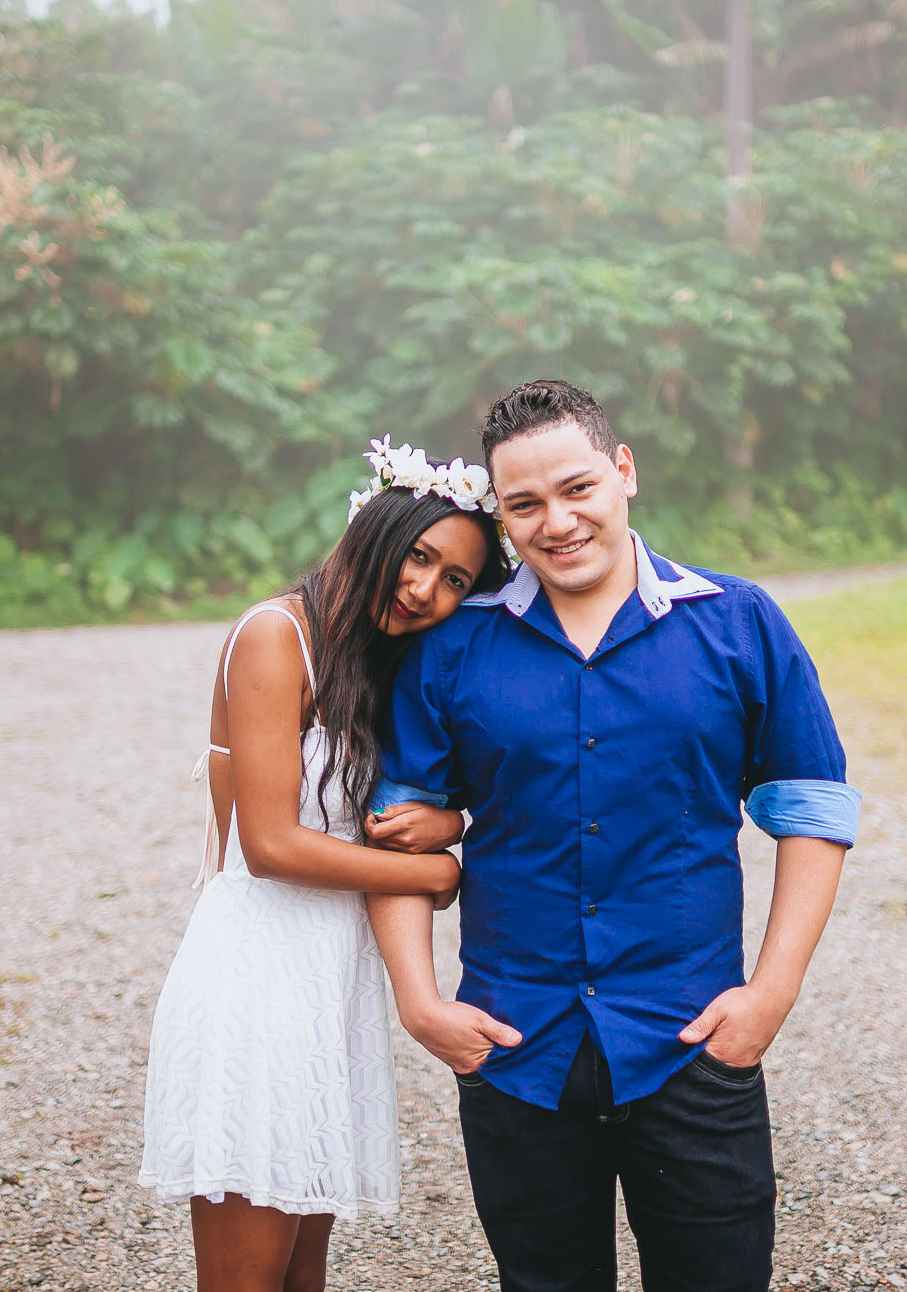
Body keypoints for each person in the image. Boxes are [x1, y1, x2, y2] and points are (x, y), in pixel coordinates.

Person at [365, 380, 859, 1292]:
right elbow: (397, 832)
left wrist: (770, 995)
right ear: (503, 517)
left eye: (577, 487)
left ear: (623, 470)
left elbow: (815, 813)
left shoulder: (739, 622)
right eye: (525, 504)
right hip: (516, 1051)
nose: (556, 521)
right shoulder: (452, 649)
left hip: (692, 1044)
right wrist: (420, 1002)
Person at [139, 439, 509, 1292]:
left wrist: (447, 818)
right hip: (257, 976)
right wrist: (434, 874)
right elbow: (267, 845)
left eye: (455, 580)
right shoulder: (277, 637)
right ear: (375, 528)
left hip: (327, 978)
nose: (427, 590)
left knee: (303, 1273)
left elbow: (393, 801)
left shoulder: (370, 656)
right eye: (420, 557)